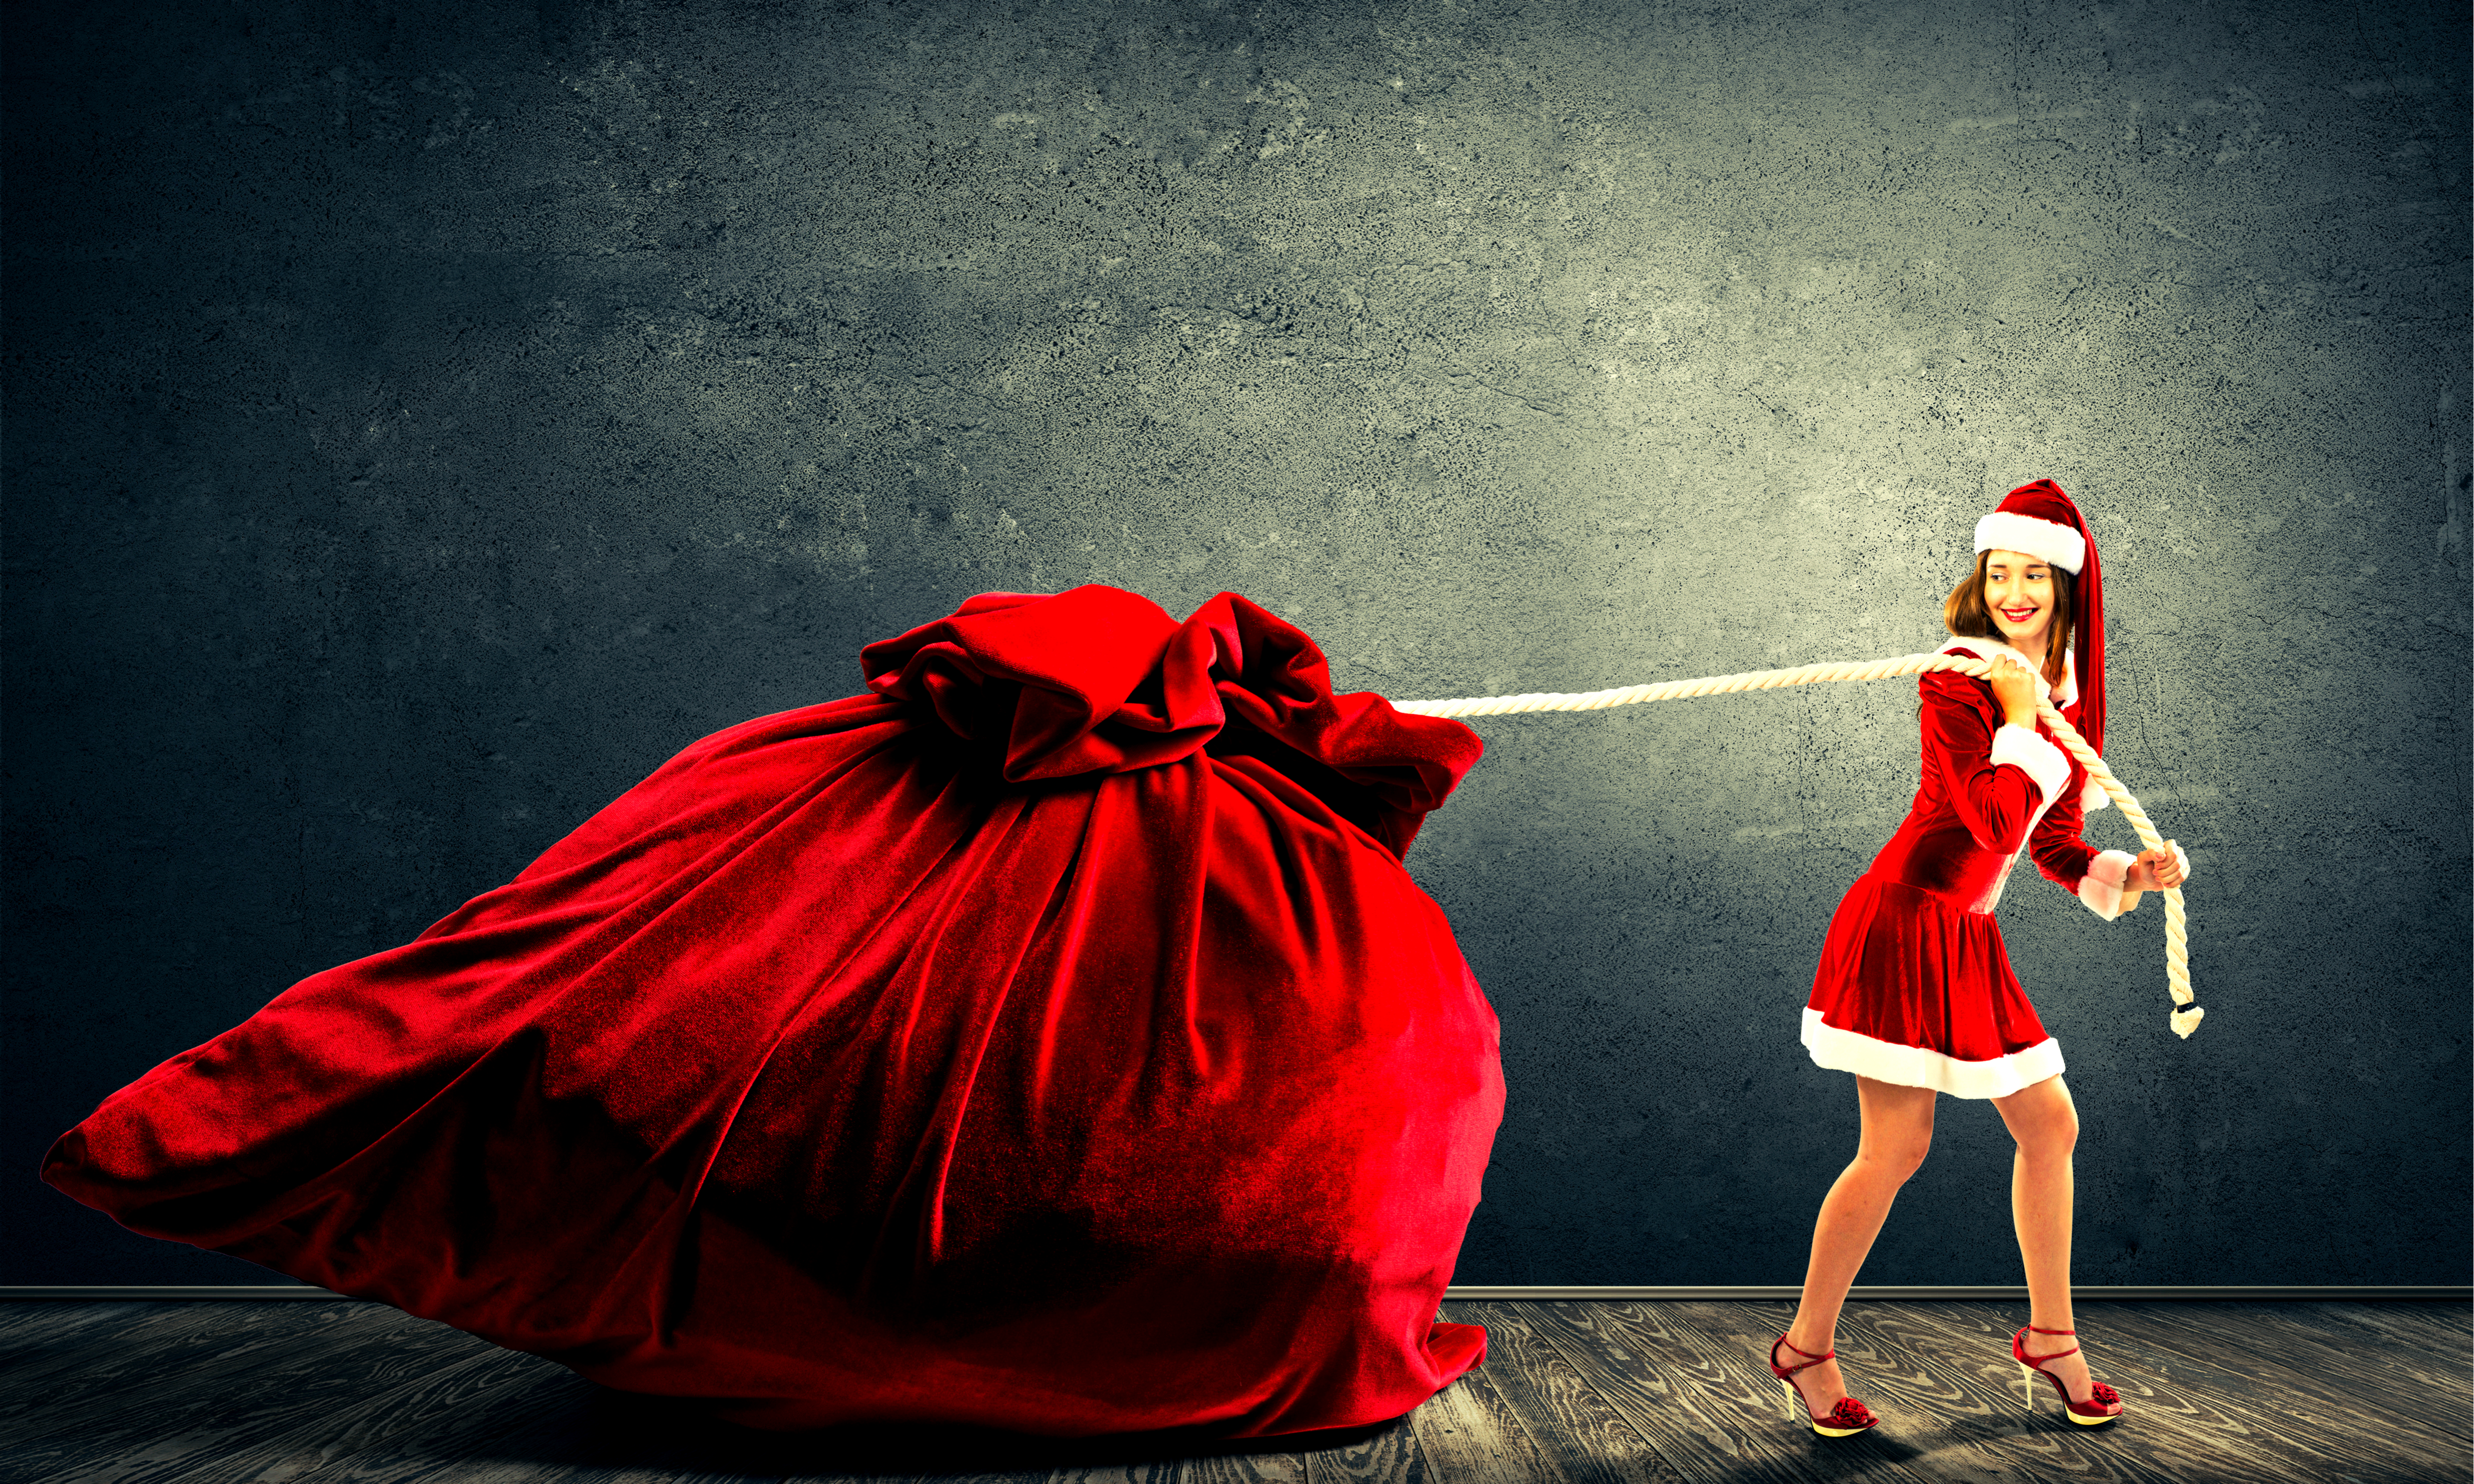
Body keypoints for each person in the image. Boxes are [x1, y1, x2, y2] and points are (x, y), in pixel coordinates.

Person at [1768, 480, 2190, 1437]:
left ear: (2067, 586)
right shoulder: (1958, 683)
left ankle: (2052, 1335)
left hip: (1966, 933)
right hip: (1902, 923)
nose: (2013, 591)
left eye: (2033, 574)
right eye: (1999, 573)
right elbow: (1993, 817)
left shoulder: (2068, 699)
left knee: (2050, 1127)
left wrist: (2131, 872)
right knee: (1896, 1149)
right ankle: (1807, 1348)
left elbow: (2046, 843)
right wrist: (2011, 706)